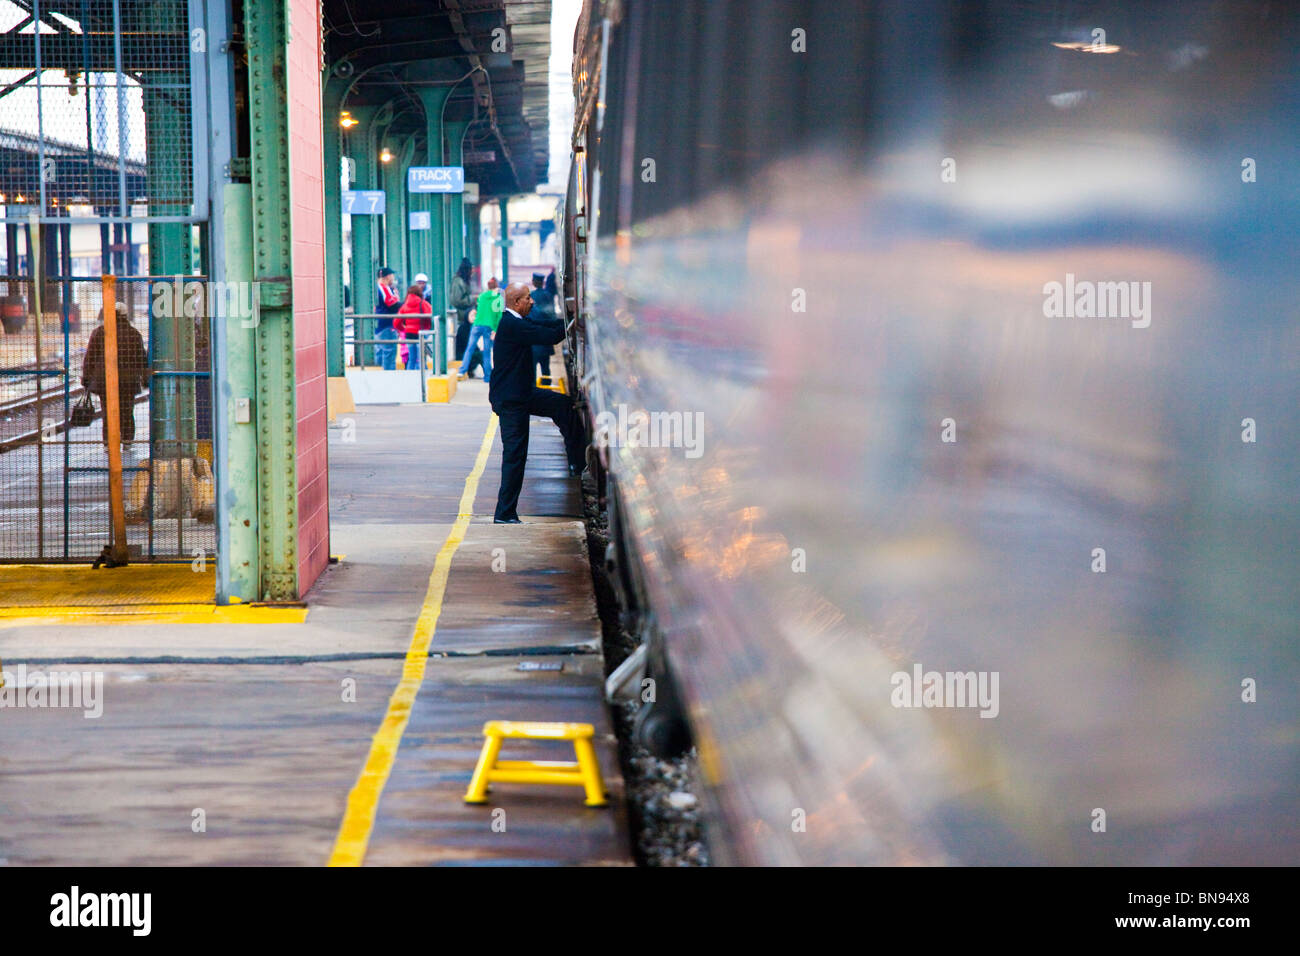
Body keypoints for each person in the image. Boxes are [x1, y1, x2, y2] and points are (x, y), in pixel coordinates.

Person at [489, 283, 587, 524]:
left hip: (520, 393)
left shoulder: (516, 322)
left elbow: (541, 326)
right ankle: (504, 513)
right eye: (528, 298)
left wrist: (568, 319)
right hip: (512, 401)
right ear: (516, 303)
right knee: (515, 455)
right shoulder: (512, 325)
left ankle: (578, 463)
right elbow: (548, 336)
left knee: (562, 405)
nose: (532, 302)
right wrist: (573, 322)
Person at [82, 301, 149, 450]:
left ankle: (108, 443)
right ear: (125, 315)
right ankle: (127, 441)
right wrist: (145, 379)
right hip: (128, 381)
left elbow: (90, 358)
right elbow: (141, 359)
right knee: (126, 411)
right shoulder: (133, 333)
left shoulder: (99, 332)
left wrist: (86, 379)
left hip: (105, 381)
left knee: (108, 412)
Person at [463, 277, 502, 383]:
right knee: (487, 352)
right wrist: (495, 329)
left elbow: (479, 308)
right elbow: (498, 315)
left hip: (477, 325)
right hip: (489, 327)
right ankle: (488, 377)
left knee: (469, 348)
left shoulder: (481, 296)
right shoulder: (498, 299)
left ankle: (462, 370)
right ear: (497, 287)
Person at [393, 283, 432, 372]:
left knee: (412, 358)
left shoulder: (405, 306)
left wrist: (404, 329)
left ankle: (409, 378)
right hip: (421, 333)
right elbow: (429, 317)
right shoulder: (424, 303)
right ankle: (423, 378)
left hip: (409, 334)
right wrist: (427, 327)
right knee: (421, 358)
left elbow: (396, 322)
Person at [529, 271, 558, 379]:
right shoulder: (549, 295)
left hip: (533, 339)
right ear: (543, 282)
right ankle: (547, 388)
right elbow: (552, 316)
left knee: (532, 369)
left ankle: (533, 389)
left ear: (533, 282)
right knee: (546, 368)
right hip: (545, 337)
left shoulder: (530, 296)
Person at [374, 267, 401, 370]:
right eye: (392, 275)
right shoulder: (383, 288)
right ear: (388, 276)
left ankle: (379, 375)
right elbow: (393, 305)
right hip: (387, 325)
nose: (393, 278)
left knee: (381, 351)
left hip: (380, 325)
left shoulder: (386, 288)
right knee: (389, 352)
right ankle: (388, 375)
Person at [450, 257, 474, 364]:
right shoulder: (458, 282)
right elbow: (456, 300)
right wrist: (471, 299)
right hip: (462, 317)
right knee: (465, 342)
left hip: (465, 317)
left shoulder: (460, 281)